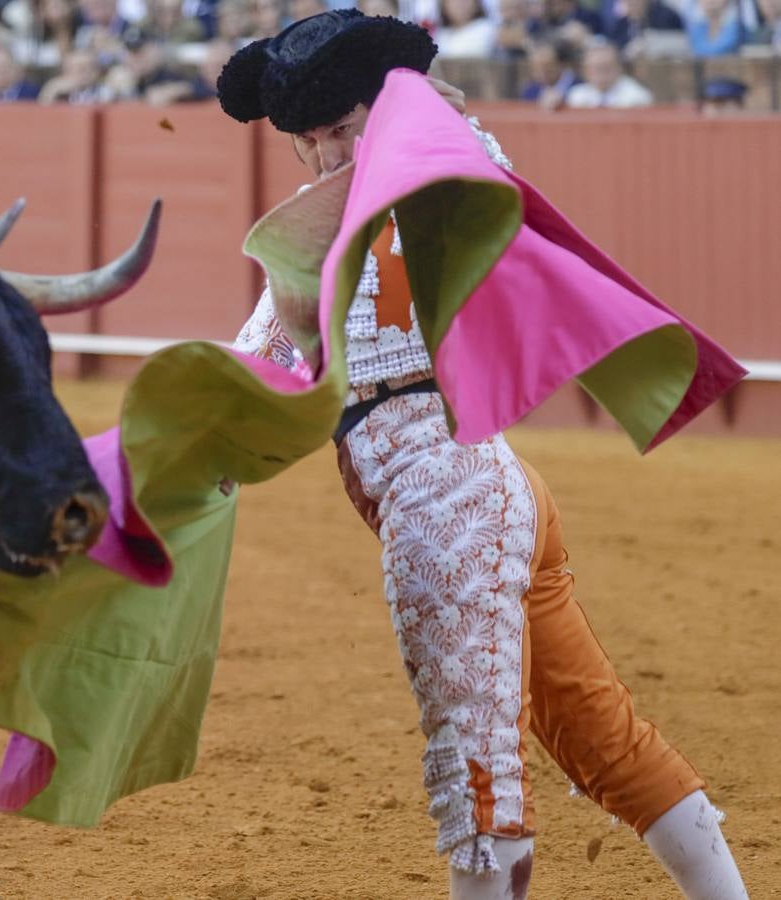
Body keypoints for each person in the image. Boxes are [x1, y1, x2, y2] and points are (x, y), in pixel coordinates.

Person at [215, 10, 750, 899]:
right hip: (490, 494)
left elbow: (471, 160)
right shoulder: (315, 248)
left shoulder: (440, 177)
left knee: (475, 773)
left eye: (344, 131)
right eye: (310, 142)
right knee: (594, 736)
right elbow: (252, 366)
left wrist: (416, 116)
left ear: (383, 115)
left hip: (447, 503)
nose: (329, 159)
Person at [565, 37, 653, 106]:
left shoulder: (637, 97)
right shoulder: (577, 96)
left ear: (619, 68)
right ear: (585, 71)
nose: (601, 74)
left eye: (606, 68)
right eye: (596, 68)